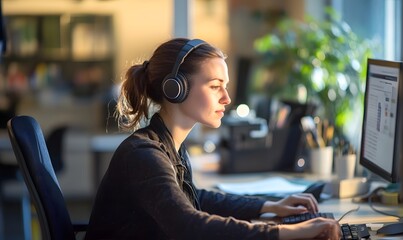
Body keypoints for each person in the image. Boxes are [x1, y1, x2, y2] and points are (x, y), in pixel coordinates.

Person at [85, 38, 341, 240]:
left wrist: (269, 206)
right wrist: (289, 232)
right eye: (215, 85)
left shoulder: (169, 145)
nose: (227, 98)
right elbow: (188, 225)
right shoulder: (144, 154)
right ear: (176, 88)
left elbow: (195, 198)